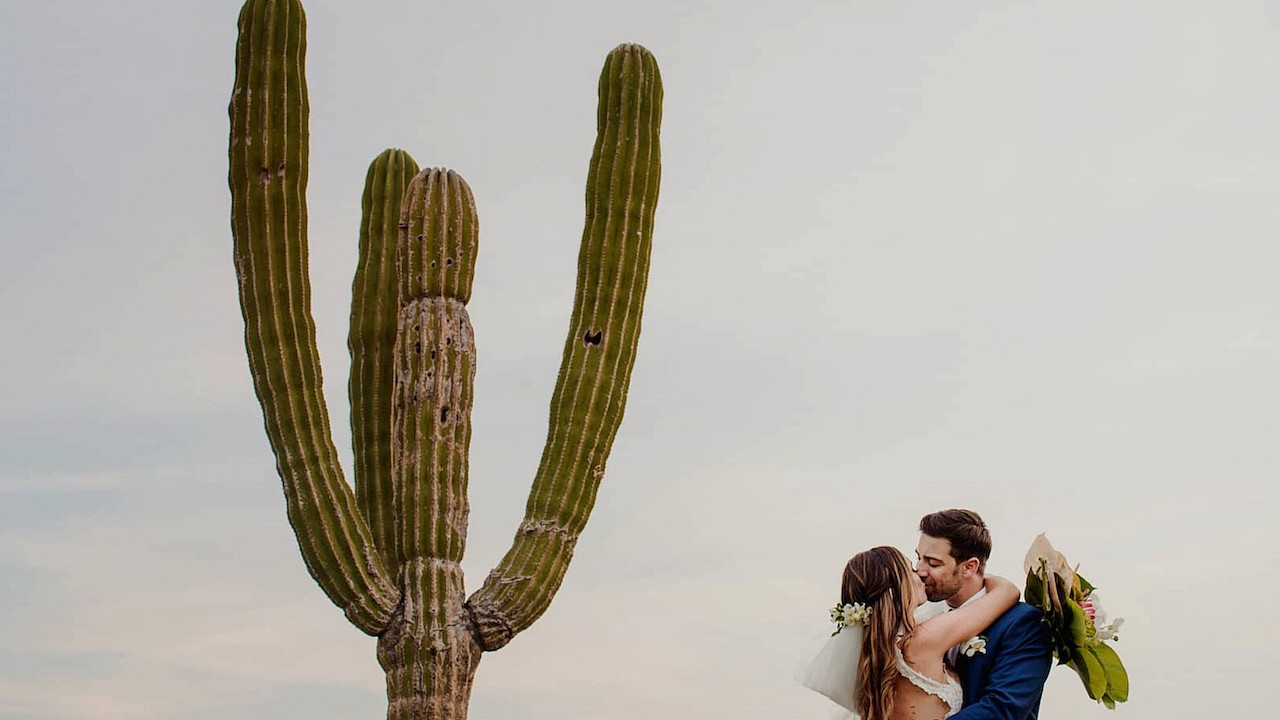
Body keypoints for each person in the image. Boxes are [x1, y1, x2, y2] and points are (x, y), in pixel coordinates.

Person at [915, 509, 1053, 719]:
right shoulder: (921, 617)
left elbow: (1003, 708)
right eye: (919, 558)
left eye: (933, 563)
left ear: (970, 567)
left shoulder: (1023, 623)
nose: (920, 570)